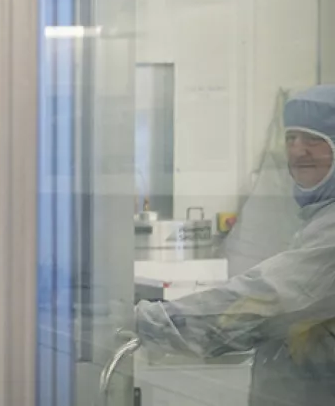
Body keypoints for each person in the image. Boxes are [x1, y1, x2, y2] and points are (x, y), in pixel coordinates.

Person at [135, 85, 335, 406]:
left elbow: (270, 295)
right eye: (290, 138)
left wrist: (155, 322)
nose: (298, 151)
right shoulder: (315, 214)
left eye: (314, 140)